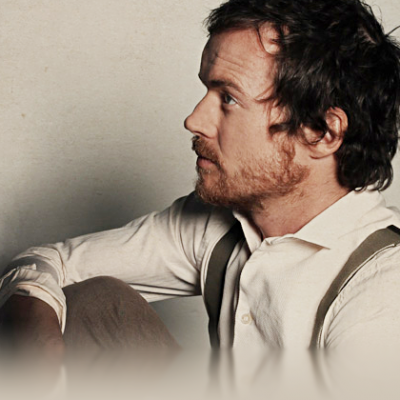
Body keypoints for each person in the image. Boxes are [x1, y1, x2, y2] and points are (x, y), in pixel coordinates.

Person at [0, 0, 400, 357]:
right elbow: (48, 263)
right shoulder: (221, 224)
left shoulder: (382, 296)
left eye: (228, 98)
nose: (194, 120)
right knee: (94, 305)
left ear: (322, 132)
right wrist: (39, 341)